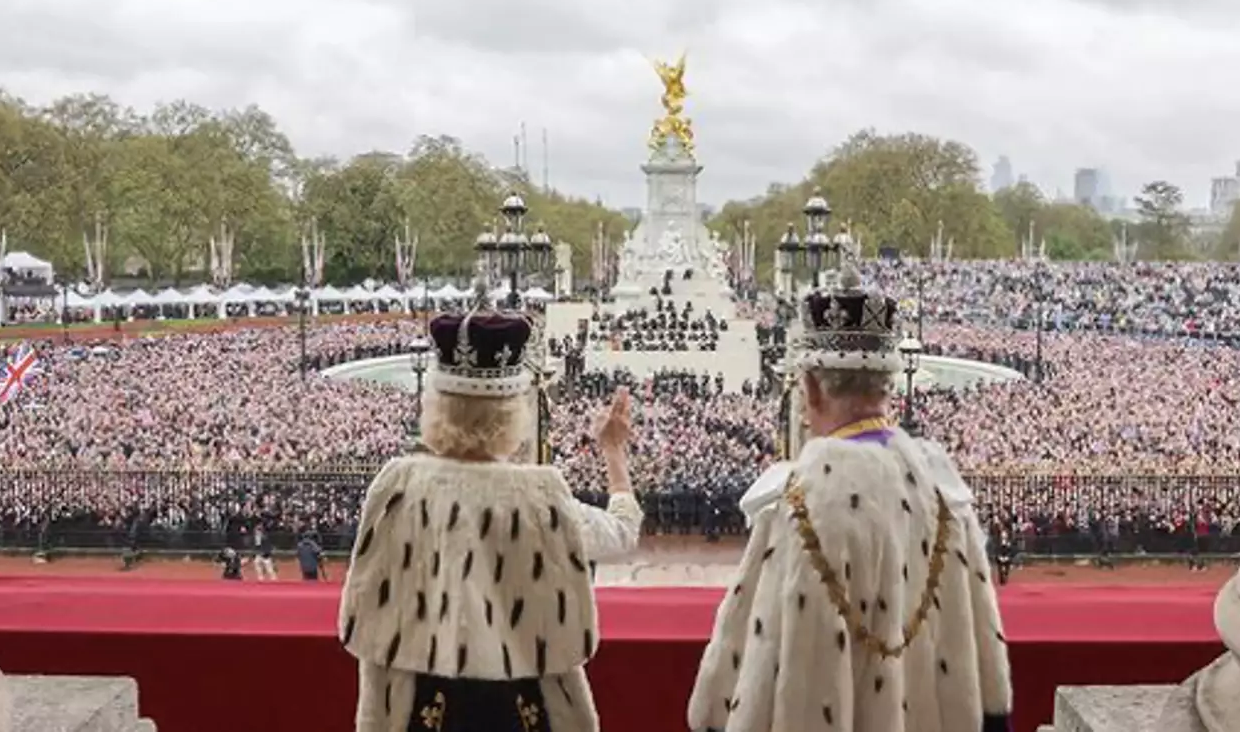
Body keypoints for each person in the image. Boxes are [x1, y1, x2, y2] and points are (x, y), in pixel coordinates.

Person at [688, 267, 1012, 732]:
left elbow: (755, 666)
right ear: (887, 386)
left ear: (813, 388)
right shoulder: (944, 490)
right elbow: (987, 672)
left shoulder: (799, 500)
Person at [339, 309, 642, 732]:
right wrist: (613, 452)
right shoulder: (540, 495)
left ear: (436, 406)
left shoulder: (397, 485)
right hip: (520, 705)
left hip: (424, 706)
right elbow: (622, 533)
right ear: (511, 412)